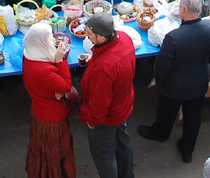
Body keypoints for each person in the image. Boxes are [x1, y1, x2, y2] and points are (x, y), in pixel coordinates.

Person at [134, 0, 210, 163]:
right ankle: (188, 150)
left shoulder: (174, 38)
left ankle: (160, 133)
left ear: (183, 11)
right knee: (193, 117)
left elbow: (162, 68)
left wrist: (160, 81)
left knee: (166, 113)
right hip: (199, 82)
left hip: (174, 87)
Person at [80, 12, 137, 178]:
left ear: (101, 36)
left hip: (107, 117)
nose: (87, 36)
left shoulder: (103, 69)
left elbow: (99, 103)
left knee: (104, 155)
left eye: (90, 34)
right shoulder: (125, 39)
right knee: (123, 142)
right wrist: (95, 59)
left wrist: (92, 122)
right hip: (123, 104)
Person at [21, 22, 76, 178]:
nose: (52, 40)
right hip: (52, 120)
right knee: (54, 153)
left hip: (38, 112)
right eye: (49, 38)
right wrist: (59, 61)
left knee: (41, 151)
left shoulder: (29, 54)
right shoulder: (43, 71)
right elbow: (66, 86)